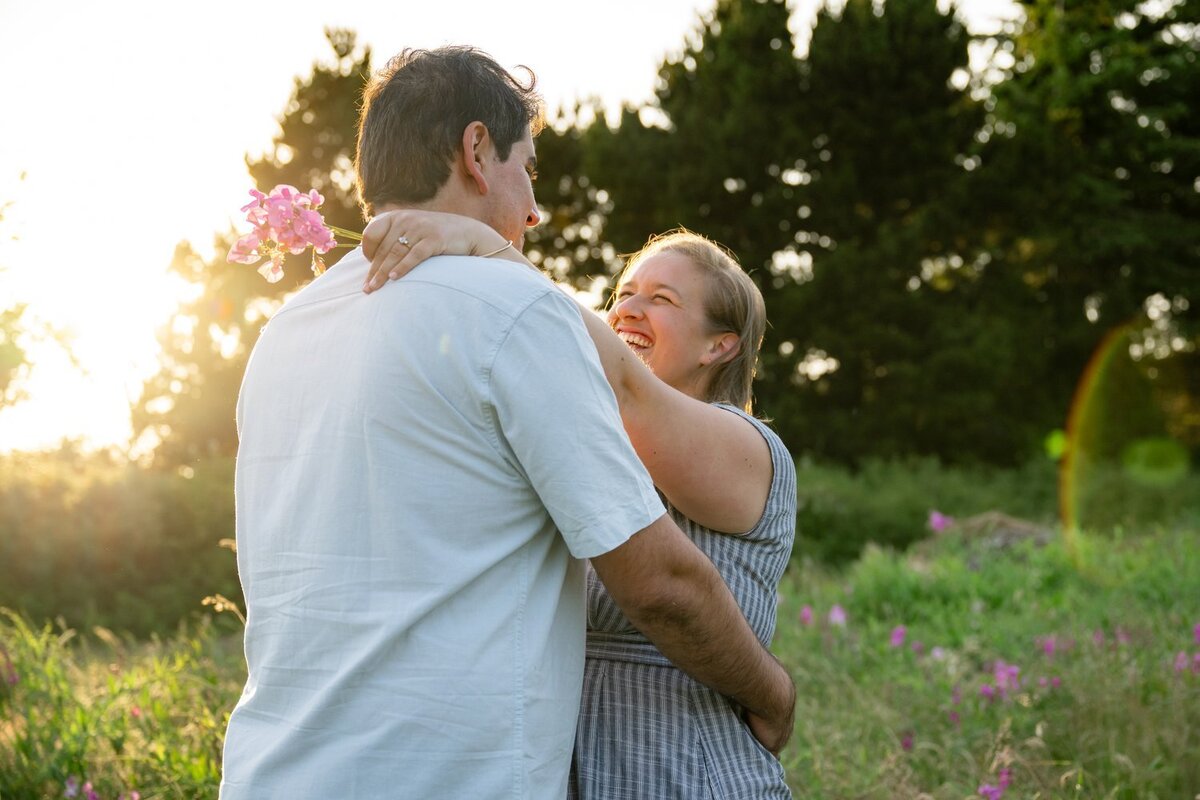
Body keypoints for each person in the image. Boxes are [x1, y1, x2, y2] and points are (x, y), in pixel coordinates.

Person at [220, 45, 794, 800]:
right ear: (477, 150)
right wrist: (776, 696)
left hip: (275, 774)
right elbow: (659, 584)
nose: (532, 207)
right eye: (527, 168)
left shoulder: (284, 332)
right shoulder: (515, 313)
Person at [362, 216, 797, 797]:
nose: (629, 310)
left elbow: (623, 389)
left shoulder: (749, 449)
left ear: (720, 346)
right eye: (624, 295)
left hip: (687, 770)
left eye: (662, 299)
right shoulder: (585, 450)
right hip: (554, 769)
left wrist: (485, 247)